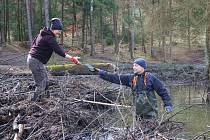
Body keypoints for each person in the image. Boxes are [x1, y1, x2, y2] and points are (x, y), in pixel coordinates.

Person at [88, 58, 173, 119]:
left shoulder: (151, 78)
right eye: (133, 65)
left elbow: (163, 91)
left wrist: (168, 104)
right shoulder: (131, 78)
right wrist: (99, 72)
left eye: (136, 65)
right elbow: (114, 77)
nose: (133, 67)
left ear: (142, 67)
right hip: (137, 114)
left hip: (151, 115)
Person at [27, 18, 80, 101]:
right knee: (41, 83)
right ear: (54, 29)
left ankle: (47, 99)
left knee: (45, 79)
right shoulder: (49, 38)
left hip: (33, 59)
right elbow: (58, 50)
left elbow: (34, 43)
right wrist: (72, 58)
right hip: (35, 61)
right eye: (59, 30)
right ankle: (33, 102)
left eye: (60, 30)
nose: (60, 32)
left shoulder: (43, 33)